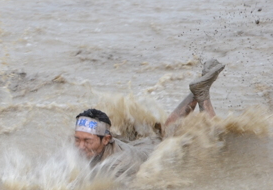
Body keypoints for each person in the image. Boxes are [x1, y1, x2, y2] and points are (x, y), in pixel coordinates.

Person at [73, 58, 225, 179]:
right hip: (142, 145)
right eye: (77, 139)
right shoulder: (98, 144)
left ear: (106, 140)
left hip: (156, 153)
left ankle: (202, 94)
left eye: (87, 141)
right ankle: (200, 89)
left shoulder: (117, 166)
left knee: (215, 144)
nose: (80, 146)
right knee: (166, 132)